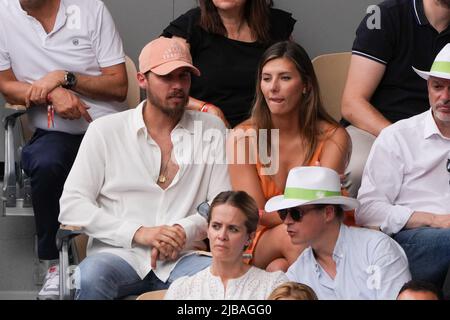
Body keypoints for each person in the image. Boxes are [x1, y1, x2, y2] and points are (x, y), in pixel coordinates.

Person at [58, 37, 231, 300]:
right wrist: (139, 233)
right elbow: (72, 205)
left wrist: (182, 230)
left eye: (183, 76)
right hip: (118, 255)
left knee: (226, 283)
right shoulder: (105, 131)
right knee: (90, 277)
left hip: (183, 257)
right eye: (166, 77)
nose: (177, 85)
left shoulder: (211, 129)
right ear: (142, 79)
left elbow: (222, 203)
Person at [0, 0, 128, 299]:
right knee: (45, 162)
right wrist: (52, 92)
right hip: (53, 132)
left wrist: (66, 77)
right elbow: (6, 84)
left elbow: (119, 85)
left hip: (105, 129)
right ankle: (53, 263)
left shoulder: (90, 9)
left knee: (129, 166)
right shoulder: (3, 13)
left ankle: (122, 255)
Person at [228, 41, 352, 272]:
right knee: (292, 237)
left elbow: (321, 208)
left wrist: (298, 214)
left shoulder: (334, 137)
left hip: (322, 231)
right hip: (262, 236)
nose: (273, 87)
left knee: (279, 268)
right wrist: (300, 213)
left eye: (284, 78)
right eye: (266, 78)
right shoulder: (242, 138)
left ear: (305, 85)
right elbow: (255, 213)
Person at [356, 43, 450, 292]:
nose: (445, 97)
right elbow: (367, 210)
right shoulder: (398, 136)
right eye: (437, 86)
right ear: (427, 87)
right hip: (411, 240)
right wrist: (436, 220)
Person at [341, 0, 450, 197]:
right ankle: (356, 227)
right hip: (376, 129)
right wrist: (402, 140)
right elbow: (352, 103)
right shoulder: (385, 16)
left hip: (443, 129)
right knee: (358, 169)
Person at [266, 166, 411, 300]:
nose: (287, 221)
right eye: (283, 213)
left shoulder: (377, 249)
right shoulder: (297, 273)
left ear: (328, 213)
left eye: (296, 213)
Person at [162, 0, 296, 127]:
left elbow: (297, 79)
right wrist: (205, 108)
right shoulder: (189, 26)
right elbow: (163, 88)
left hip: (263, 128)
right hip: (205, 128)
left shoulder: (276, 24)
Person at [165, 191, 288, 300]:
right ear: (208, 230)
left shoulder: (273, 285)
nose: (222, 236)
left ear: (249, 237)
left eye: (233, 229)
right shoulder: (181, 290)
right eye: (216, 226)